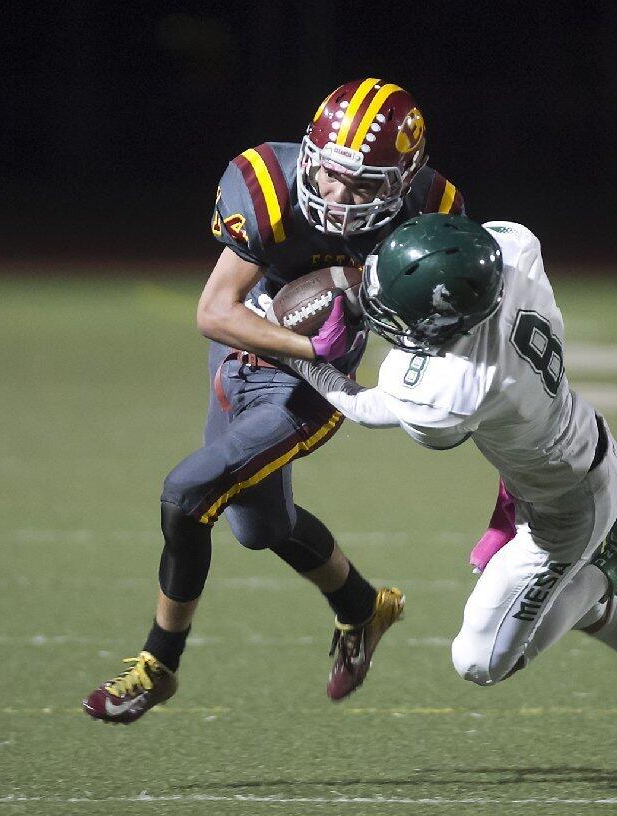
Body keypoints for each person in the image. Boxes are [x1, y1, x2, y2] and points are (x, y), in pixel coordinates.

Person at [284, 213, 617, 785]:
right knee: (540, 594)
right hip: (562, 459)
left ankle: (604, 567)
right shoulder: (510, 252)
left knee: (480, 662)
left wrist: (298, 354)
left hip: (566, 508)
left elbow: (362, 404)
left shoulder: (456, 387)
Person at [82, 79, 468, 723]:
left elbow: (443, 325)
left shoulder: (434, 213)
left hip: (315, 386)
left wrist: (366, 334)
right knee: (260, 527)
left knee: (188, 494)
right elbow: (214, 311)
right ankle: (363, 608)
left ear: (403, 184)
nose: (342, 197)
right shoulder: (266, 184)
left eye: (367, 185)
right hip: (251, 346)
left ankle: (158, 664)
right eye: (333, 175)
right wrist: (305, 339)